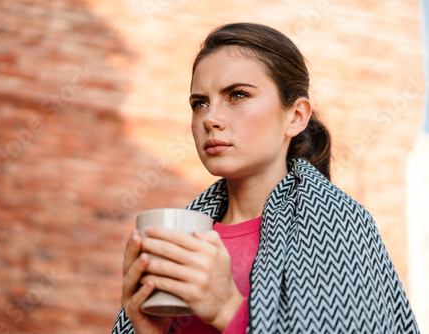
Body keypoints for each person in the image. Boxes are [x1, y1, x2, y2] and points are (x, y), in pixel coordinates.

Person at [112, 23, 420, 333]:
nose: (210, 119)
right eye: (199, 103)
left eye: (238, 95)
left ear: (296, 116)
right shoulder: (186, 238)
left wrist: (228, 309)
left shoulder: (342, 225)